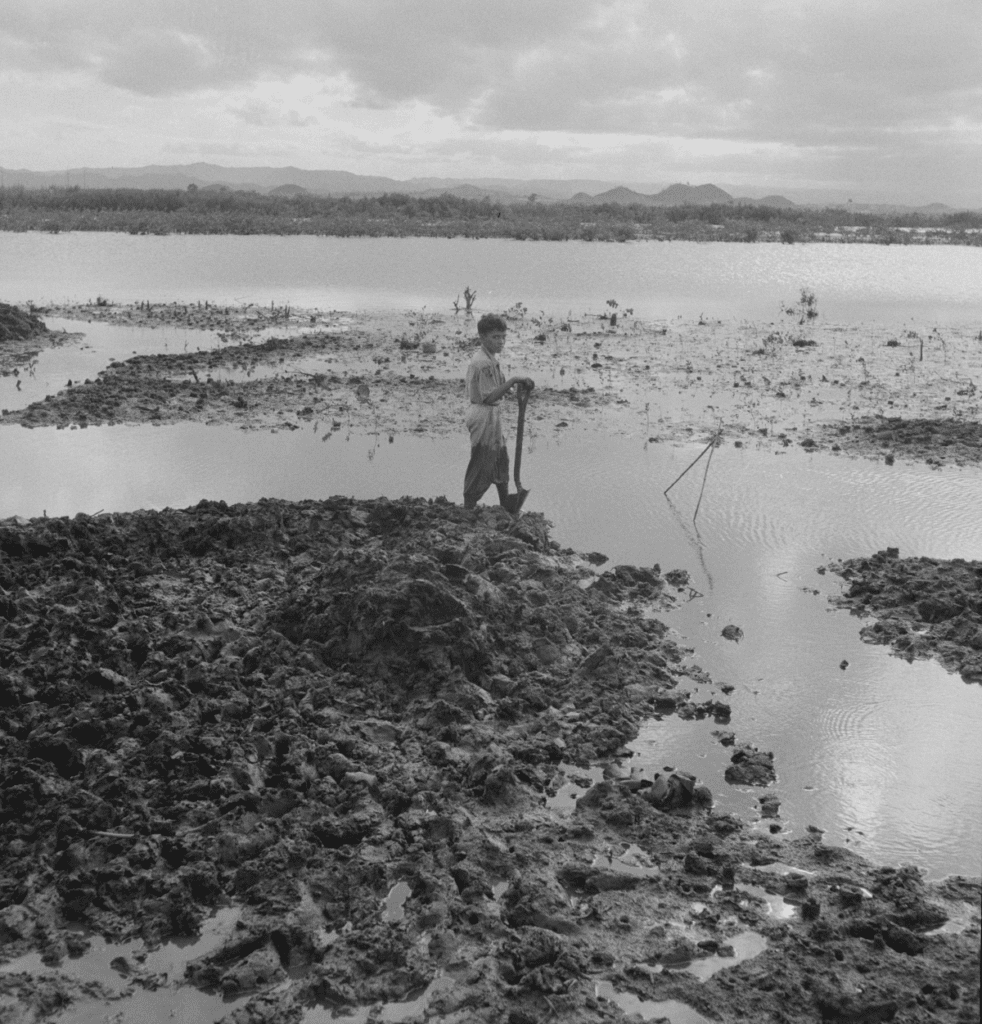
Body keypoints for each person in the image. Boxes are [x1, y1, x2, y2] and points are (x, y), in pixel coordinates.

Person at [463, 314, 534, 511]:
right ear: (482, 337)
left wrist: (514, 386)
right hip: (483, 414)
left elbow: (499, 388)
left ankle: (506, 504)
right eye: (495, 337)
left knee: (500, 459)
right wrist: (512, 381)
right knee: (482, 461)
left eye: (503, 337)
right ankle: (468, 507)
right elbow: (488, 397)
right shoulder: (482, 363)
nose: (500, 341)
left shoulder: (490, 359)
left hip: (491, 414)